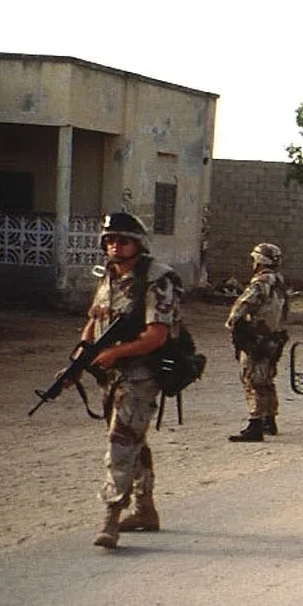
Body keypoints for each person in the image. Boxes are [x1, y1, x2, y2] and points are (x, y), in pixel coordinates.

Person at [84, 212, 182, 548]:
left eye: (122, 240)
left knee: (120, 442)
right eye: (110, 240)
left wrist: (116, 353)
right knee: (132, 441)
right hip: (110, 376)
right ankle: (145, 510)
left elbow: (156, 336)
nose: (115, 245)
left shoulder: (158, 280)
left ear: (138, 244)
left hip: (140, 374)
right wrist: (78, 360)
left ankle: (111, 517)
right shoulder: (108, 277)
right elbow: (94, 321)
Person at [225, 243, 291, 443]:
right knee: (267, 378)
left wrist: (233, 325)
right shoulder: (279, 283)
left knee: (252, 379)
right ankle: (269, 419)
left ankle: (255, 424)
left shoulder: (260, 283)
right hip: (274, 339)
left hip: (258, 339)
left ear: (260, 261)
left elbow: (241, 307)